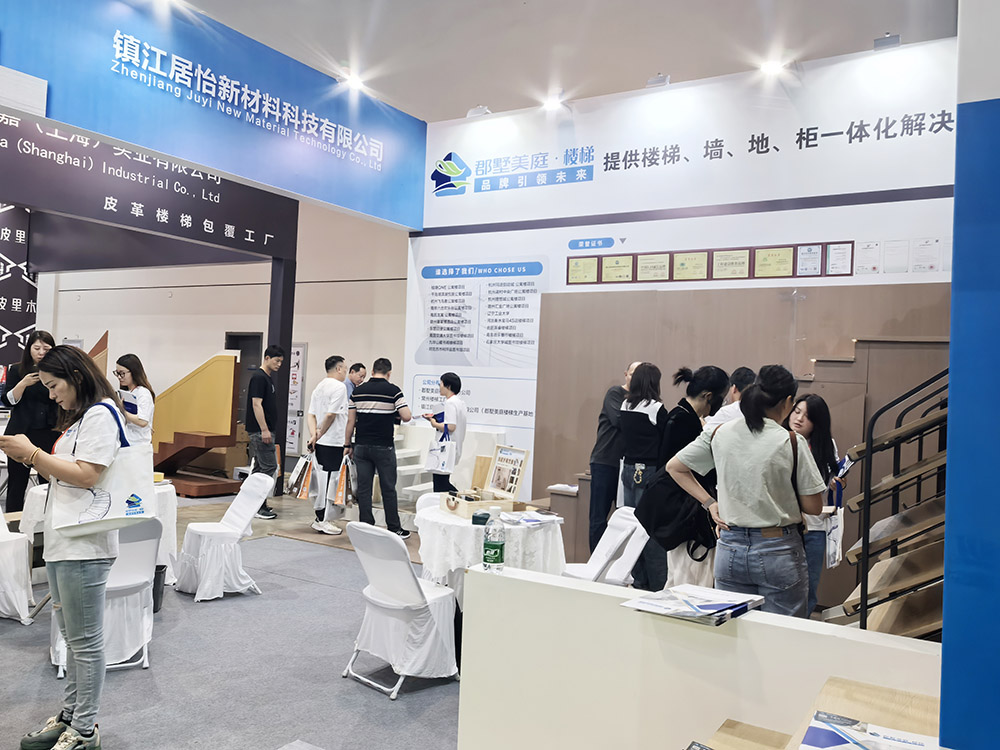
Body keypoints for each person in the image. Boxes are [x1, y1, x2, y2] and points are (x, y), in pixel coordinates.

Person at [0, 345, 128, 750]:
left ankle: (85, 730)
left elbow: (88, 475)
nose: (52, 395)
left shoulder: (101, 414)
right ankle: (72, 716)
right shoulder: (83, 418)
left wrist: (32, 453)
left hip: (85, 546)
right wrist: (32, 457)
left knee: (84, 642)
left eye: (55, 386)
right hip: (66, 541)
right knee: (73, 640)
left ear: (76, 377)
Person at [667, 365, 827, 617]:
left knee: (734, 629)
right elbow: (814, 507)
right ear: (787, 401)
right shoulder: (790, 441)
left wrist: (710, 503)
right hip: (778, 549)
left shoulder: (720, 432)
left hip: (730, 547)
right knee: (781, 632)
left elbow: (675, 468)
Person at [656, 366, 730, 587]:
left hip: (682, 510)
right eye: (722, 398)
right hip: (688, 511)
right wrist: (708, 501)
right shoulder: (684, 422)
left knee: (681, 575)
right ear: (709, 396)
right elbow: (680, 469)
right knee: (691, 579)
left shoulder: (682, 416)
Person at [344, 357, 412, 539]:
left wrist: (347, 444)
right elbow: (406, 416)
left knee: (364, 488)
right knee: (388, 488)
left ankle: (366, 526)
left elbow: (350, 421)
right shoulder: (393, 391)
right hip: (384, 447)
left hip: (361, 446)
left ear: (372, 372)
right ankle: (394, 527)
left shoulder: (358, 392)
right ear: (389, 373)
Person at [787, 393, 842, 616]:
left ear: (817, 423)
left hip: (815, 526)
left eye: (808, 416)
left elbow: (831, 478)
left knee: (809, 587)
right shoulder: (779, 439)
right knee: (784, 586)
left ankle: (803, 625)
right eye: (796, 411)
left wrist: (836, 481)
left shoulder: (826, 445)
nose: (799, 419)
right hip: (785, 525)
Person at [618, 362, 670, 590]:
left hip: (628, 469)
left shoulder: (625, 405)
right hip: (648, 472)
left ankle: (638, 580)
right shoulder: (655, 408)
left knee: (632, 526)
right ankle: (658, 584)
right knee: (650, 529)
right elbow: (666, 439)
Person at [0, 330, 58, 513]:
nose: (41, 352)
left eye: (46, 349)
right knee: (17, 483)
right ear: (29, 349)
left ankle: (45, 519)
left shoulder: (59, 371)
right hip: (21, 431)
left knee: (48, 482)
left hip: (49, 432)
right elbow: (8, 401)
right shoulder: (17, 370)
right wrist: (23, 384)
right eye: (37, 348)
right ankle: (13, 521)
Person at [587, 361, 641, 552]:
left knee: (625, 517)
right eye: (632, 373)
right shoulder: (615, 393)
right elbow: (619, 420)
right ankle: (596, 561)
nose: (635, 378)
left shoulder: (644, 400)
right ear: (626, 374)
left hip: (629, 465)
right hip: (605, 461)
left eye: (639, 374)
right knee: (599, 517)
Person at [306, 355, 349, 536]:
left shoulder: (319, 386)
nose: (345, 372)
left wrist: (314, 435)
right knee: (330, 481)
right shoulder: (339, 387)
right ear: (338, 369)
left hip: (321, 442)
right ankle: (323, 520)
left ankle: (321, 517)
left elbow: (311, 414)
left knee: (322, 480)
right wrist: (320, 434)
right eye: (345, 369)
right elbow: (331, 415)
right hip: (333, 441)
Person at [246, 345, 285, 520]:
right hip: (260, 431)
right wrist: (264, 429)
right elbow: (256, 404)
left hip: (265, 430)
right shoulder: (259, 377)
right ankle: (258, 506)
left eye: (281, 362)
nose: (279, 364)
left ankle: (252, 504)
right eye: (277, 361)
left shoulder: (267, 378)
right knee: (269, 467)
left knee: (259, 468)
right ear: (267, 358)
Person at [424, 371, 468, 493]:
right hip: (454, 446)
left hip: (445, 449)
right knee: (443, 482)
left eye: (441, 384)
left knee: (440, 484)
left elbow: (451, 427)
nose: (439, 387)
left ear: (448, 386)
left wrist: (434, 423)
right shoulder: (460, 402)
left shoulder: (450, 403)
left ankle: (463, 498)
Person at [113, 353, 155, 446]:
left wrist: (122, 411)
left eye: (122, 373)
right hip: (128, 442)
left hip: (138, 445)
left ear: (134, 372)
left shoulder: (143, 392)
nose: (119, 377)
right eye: (117, 373)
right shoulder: (126, 392)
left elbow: (142, 421)